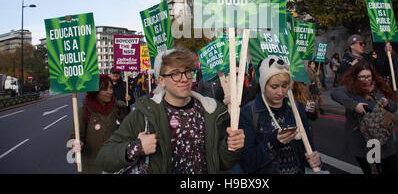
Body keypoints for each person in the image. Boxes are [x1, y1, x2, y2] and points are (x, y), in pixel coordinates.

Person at [96, 48, 245, 174]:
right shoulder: (145, 114)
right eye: (175, 73)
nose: (184, 79)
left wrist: (232, 147)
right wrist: (136, 148)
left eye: (187, 72)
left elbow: (222, 163)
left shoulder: (211, 112)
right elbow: (104, 158)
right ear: (161, 80)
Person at [239, 55, 321, 174]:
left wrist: (313, 158)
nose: (280, 92)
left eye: (284, 86)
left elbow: (308, 146)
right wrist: (273, 143)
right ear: (263, 85)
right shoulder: (249, 112)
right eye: (274, 86)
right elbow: (247, 163)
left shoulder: (297, 108)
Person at [331, 60, 398, 174]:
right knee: (372, 170)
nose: (366, 80)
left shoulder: (380, 87)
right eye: (362, 77)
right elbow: (335, 94)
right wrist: (354, 105)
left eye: (368, 76)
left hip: (384, 138)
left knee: (392, 168)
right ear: (355, 77)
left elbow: (394, 107)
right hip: (364, 140)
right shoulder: (350, 89)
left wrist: (387, 103)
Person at [70, 74, 125, 174]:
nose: (110, 92)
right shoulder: (84, 112)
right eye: (105, 89)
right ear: (95, 91)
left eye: (111, 88)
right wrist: (76, 144)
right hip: (94, 168)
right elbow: (73, 138)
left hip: (117, 165)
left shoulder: (119, 108)